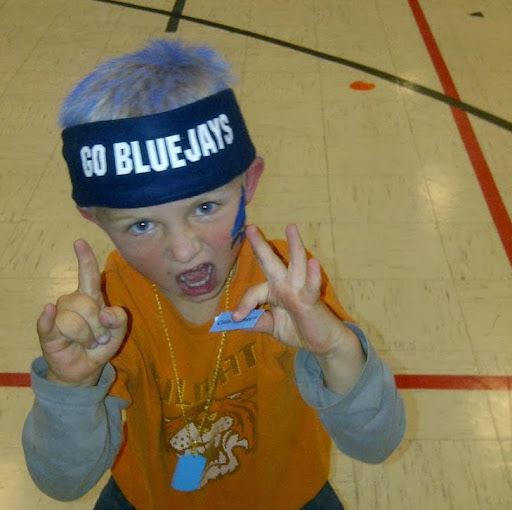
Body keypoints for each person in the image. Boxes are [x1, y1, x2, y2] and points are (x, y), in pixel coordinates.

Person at [22, 39, 405, 510]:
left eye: (205, 207)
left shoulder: (290, 286)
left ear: (250, 184)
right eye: (141, 225)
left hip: (291, 499)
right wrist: (71, 387)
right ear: (95, 219)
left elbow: (376, 443)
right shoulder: (109, 310)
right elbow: (63, 483)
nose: (185, 250)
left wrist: (333, 347)